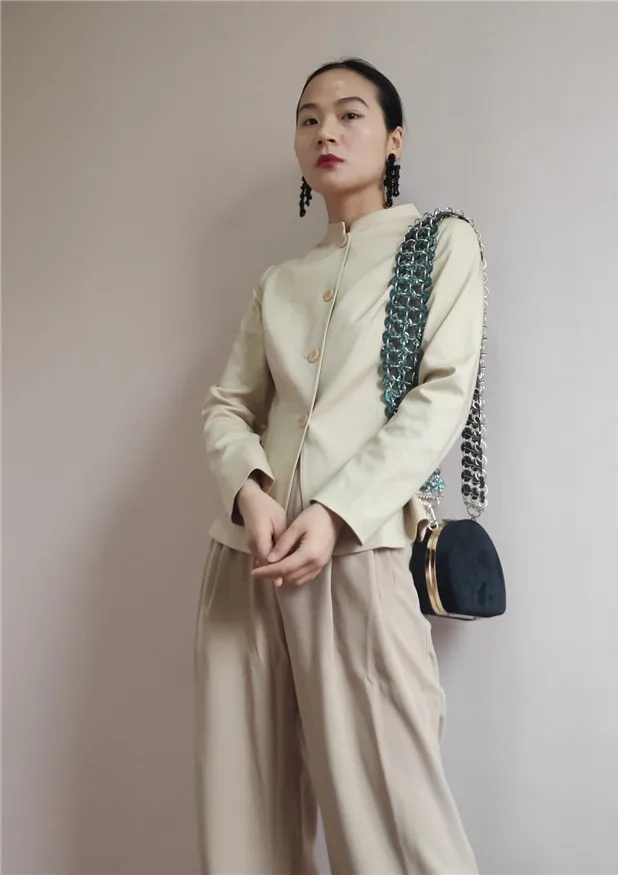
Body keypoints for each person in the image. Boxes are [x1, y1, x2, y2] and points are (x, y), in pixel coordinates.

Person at [195, 57, 484, 875]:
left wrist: (334, 512)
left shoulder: (442, 244)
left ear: (394, 139)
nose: (326, 130)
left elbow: (442, 394)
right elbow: (227, 406)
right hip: (246, 561)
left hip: (362, 551)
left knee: (394, 822)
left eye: (350, 114)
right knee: (243, 820)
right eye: (309, 117)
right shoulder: (280, 282)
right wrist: (249, 490)